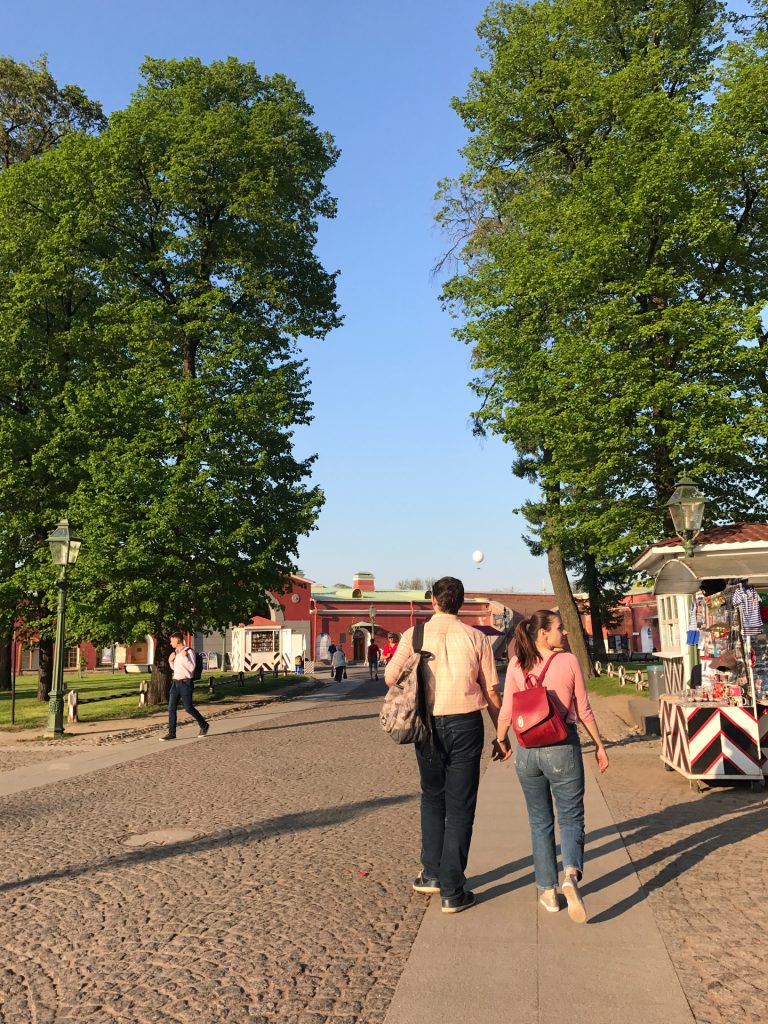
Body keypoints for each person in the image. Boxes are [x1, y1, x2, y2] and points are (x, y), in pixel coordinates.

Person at [384, 576, 502, 914]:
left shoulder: (415, 635)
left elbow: (391, 677)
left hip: (426, 723)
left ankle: (432, 873)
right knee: (461, 805)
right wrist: (502, 734)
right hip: (466, 722)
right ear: (460, 603)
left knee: (432, 797)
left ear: (434, 601)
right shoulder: (476, 638)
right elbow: (492, 691)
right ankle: (453, 889)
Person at [495, 611, 609, 923]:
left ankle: (548, 892)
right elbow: (583, 709)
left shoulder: (518, 665)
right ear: (543, 634)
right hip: (562, 747)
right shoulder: (569, 662)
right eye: (560, 628)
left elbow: (507, 708)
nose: (566, 633)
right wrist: (599, 745)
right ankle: (570, 875)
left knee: (539, 821)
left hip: (528, 751)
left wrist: (500, 739)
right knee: (571, 817)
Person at [160, 631, 210, 741]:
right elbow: (176, 669)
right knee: (171, 708)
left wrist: (185, 657)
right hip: (175, 683)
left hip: (185, 683)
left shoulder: (188, 651)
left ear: (177, 640)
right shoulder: (176, 653)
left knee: (188, 708)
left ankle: (204, 725)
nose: (170, 643)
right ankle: (171, 733)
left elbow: (191, 668)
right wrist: (170, 661)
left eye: (171, 640)